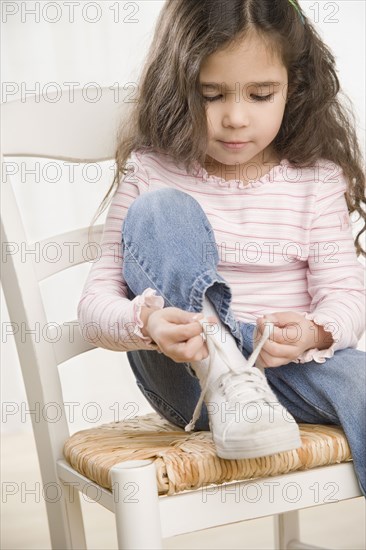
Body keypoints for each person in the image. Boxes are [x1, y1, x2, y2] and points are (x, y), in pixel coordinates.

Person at [77, 0, 366, 495]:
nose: (235, 117)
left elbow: (348, 297)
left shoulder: (315, 180)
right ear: (180, 88)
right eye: (211, 95)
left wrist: (313, 332)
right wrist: (145, 323)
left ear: (293, 89)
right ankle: (222, 371)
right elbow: (94, 305)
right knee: (163, 209)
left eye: (260, 94)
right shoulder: (151, 170)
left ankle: (247, 391)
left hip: (282, 373)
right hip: (191, 382)